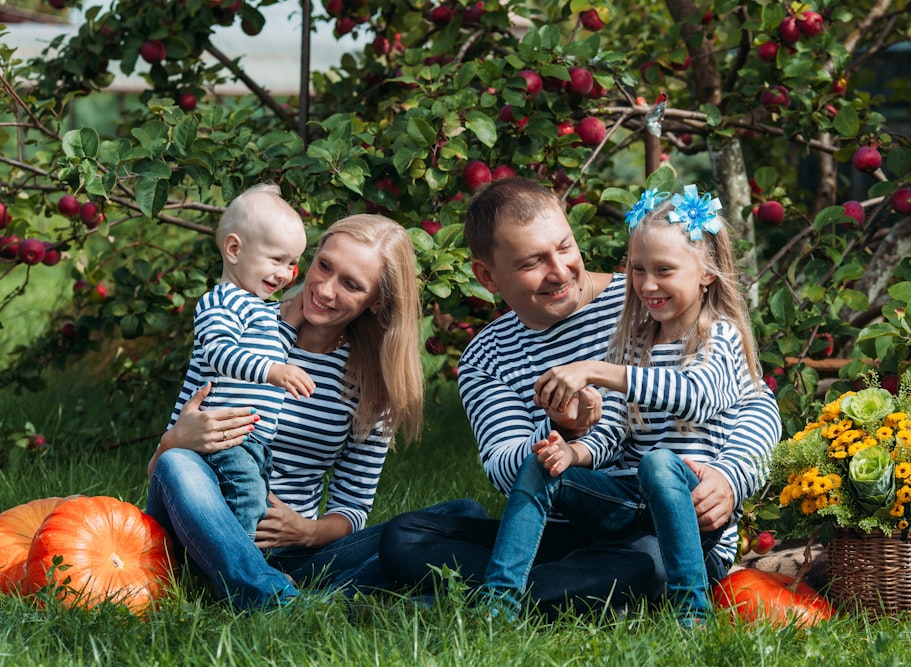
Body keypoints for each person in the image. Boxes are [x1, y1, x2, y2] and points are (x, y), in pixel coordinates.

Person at [379, 178, 781, 618]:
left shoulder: (644, 305)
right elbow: (504, 468)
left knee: (641, 564)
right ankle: (555, 589)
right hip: (565, 522)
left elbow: (753, 401)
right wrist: (564, 436)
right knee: (404, 538)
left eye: (564, 247)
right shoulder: (486, 357)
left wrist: (731, 476)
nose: (559, 271)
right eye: (533, 261)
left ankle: (476, 600)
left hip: (658, 531)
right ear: (487, 276)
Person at [147, 213, 485, 609]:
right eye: (324, 266)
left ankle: (298, 592)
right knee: (179, 465)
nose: (324, 289)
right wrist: (174, 441)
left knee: (463, 516)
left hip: (294, 553)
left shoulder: (369, 383)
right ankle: (273, 596)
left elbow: (353, 507)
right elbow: (163, 478)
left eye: (351, 285)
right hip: (201, 532)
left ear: (376, 301)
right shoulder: (240, 328)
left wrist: (307, 532)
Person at [173, 184, 315, 539]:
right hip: (221, 436)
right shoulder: (221, 301)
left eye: (293, 263)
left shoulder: (262, 310)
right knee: (246, 501)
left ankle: (216, 565)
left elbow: (276, 342)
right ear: (234, 249)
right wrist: (273, 371)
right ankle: (238, 576)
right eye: (276, 259)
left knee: (248, 503)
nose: (285, 273)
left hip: (254, 442)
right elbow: (219, 353)